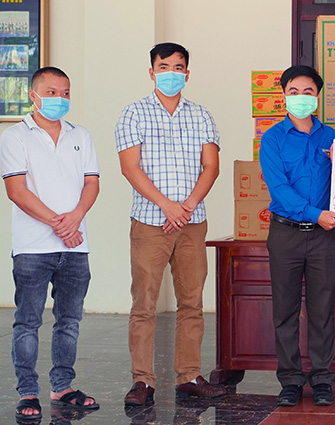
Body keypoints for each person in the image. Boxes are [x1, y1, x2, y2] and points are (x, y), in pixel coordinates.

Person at [115, 42, 225, 406]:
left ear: (187, 74)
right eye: (164, 67)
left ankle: (189, 376)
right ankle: (142, 381)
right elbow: (130, 167)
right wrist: (166, 206)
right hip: (150, 222)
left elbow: (211, 166)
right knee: (144, 304)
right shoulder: (133, 114)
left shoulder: (202, 116)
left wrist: (187, 206)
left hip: (192, 223)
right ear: (151, 72)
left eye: (178, 68)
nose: (171, 74)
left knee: (191, 303)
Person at [0, 66, 100, 422]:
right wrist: (61, 224)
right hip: (32, 246)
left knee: (69, 321)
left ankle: (62, 387)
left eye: (65, 93)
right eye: (52, 92)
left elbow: (91, 184)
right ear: (34, 95)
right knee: (28, 322)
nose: (60, 99)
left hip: (75, 247)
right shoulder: (15, 136)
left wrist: (75, 220)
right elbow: (17, 191)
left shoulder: (80, 135)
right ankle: (28, 391)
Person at [259, 65, 335, 407]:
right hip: (286, 233)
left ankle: (322, 379)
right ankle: (291, 380)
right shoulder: (272, 138)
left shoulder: (331, 136)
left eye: (308, 92)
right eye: (293, 92)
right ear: (283, 95)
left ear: (318, 96)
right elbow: (279, 188)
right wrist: (315, 214)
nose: (300, 97)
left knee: (322, 310)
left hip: (325, 236)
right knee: (285, 310)